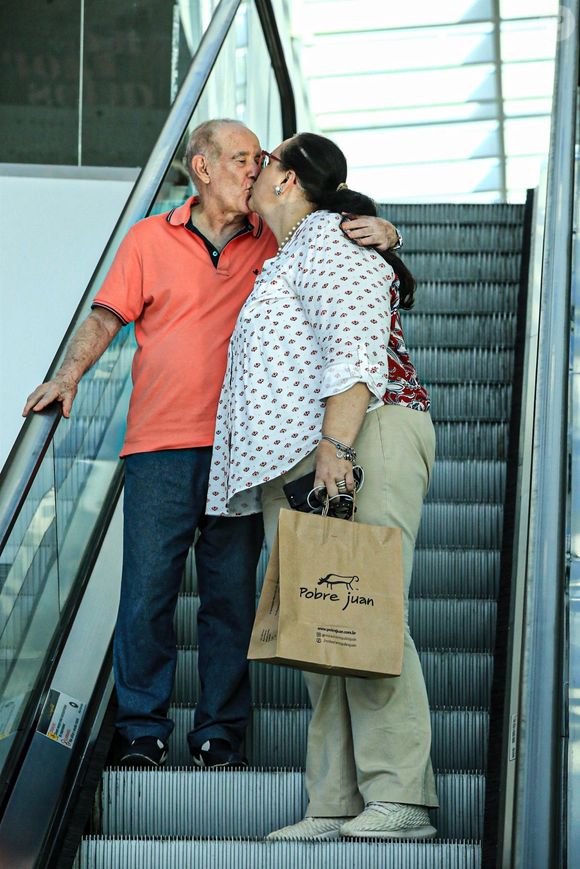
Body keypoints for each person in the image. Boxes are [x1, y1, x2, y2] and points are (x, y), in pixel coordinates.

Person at [22, 120, 401, 770]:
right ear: (201, 167)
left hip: (244, 456)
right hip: (159, 447)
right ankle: (140, 730)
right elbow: (106, 315)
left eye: (260, 159)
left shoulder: (274, 238)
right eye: (240, 158)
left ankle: (218, 733)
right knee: (146, 593)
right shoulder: (150, 238)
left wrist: (386, 229)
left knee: (230, 599)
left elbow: (333, 232)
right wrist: (67, 375)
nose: (253, 169)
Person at [206, 132, 437, 839]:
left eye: (265, 160)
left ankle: (402, 797)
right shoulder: (290, 252)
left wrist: (337, 445)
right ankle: (335, 800)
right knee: (324, 625)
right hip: (307, 461)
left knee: (364, 608)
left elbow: (356, 343)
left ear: (289, 181)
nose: (254, 169)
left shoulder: (334, 238)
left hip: (363, 437)